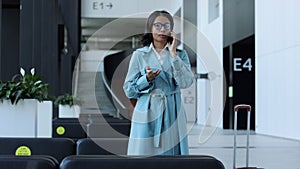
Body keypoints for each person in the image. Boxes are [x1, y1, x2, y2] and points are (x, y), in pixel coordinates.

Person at [123, 10, 194, 155]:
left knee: (171, 156)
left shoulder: (180, 55)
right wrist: (146, 79)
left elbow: (186, 82)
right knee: (144, 154)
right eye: (158, 25)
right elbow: (129, 89)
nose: (162, 29)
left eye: (167, 26)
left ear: (171, 30)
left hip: (172, 109)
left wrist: (174, 55)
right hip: (146, 110)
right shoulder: (139, 55)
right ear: (150, 29)